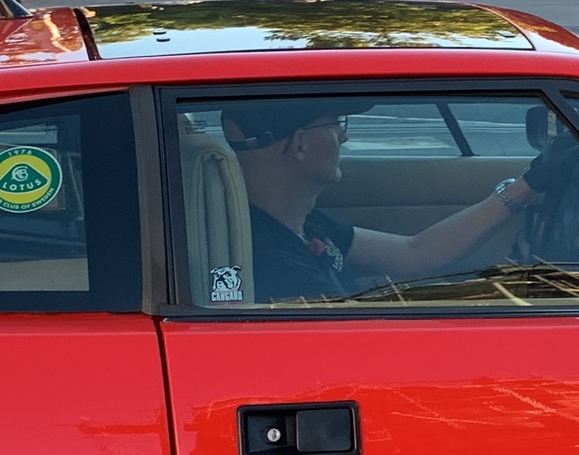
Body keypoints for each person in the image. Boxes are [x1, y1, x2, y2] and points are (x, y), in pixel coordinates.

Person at [223, 99, 542, 303]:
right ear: (301, 144)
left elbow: (413, 252)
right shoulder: (277, 267)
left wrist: (524, 188)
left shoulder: (299, 225)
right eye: (335, 124)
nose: (344, 137)